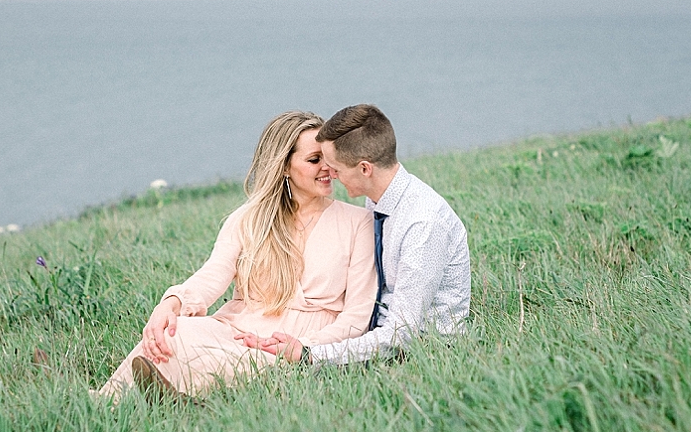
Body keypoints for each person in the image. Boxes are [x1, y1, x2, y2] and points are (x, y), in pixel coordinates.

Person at [96, 110, 377, 399]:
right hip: (238, 328)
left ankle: (170, 393)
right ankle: (106, 402)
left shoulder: (358, 223)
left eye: (328, 158)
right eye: (314, 160)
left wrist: (305, 347)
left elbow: (357, 314)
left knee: (238, 362)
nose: (328, 168)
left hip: (299, 343)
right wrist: (172, 303)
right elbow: (212, 274)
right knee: (174, 333)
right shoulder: (248, 219)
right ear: (283, 166)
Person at [246, 104, 470, 365]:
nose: (330, 175)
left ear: (365, 169)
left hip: (420, 352)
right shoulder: (379, 199)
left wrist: (309, 355)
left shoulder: (422, 224)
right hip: (372, 336)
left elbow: (401, 334)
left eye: (336, 168)